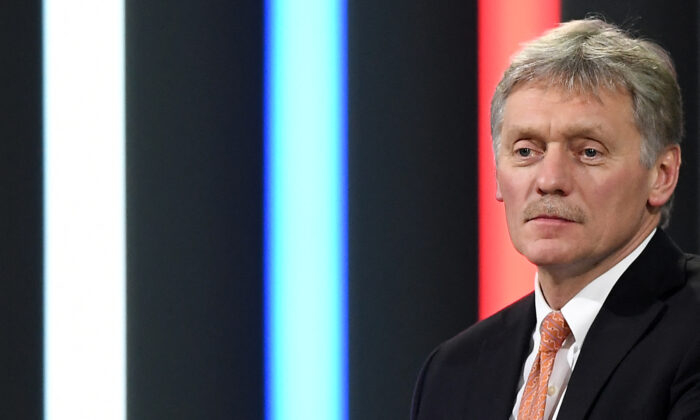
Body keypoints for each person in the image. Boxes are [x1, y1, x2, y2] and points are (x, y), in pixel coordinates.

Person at [411, 18, 700, 420]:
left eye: (589, 152)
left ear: (662, 174)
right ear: (497, 174)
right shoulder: (452, 372)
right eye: (526, 151)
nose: (549, 181)